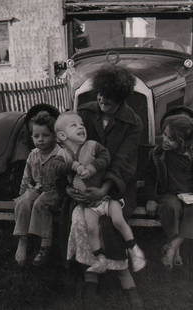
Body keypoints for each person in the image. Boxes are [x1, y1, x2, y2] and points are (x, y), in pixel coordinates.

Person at [65, 65, 146, 309]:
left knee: (110, 222)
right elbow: (70, 150)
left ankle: (125, 280)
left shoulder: (133, 123)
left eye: (109, 98)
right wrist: (71, 185)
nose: (102, 99)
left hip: (117, 185)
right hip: (83, 183)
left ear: (121, 98)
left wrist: (104, 190)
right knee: (77, 218)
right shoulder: (85, 113)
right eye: (100, 94)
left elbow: (124, 161)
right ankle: (89, 276)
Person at [55, 111, 146, 274]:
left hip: (107, 198)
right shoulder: (62, 154)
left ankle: (135, 251)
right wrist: (73, 166)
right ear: (62, 135)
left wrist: (92, 167)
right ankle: (100, 259)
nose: (81, 127)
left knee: (118, 220)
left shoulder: (92, 145)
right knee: (91, 229)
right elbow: (57, 168)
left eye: (82, 124)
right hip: (88, 204)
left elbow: (106, 157)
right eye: (74, 125)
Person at [145, 113, 193, 270]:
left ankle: (172, 247)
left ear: (183, 143)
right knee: (171, 208)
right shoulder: (158, 154)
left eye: (171, 139)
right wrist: (151, 198)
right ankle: (175, 249)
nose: (165, 140)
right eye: (164, 135)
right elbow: (149, 178)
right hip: (169, 194)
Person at [13, 111, 70, 267]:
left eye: (45, 135)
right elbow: (26, 177)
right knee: (24, 201)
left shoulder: (61, 153)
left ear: (55, 135)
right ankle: (22, 241)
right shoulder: (33, 155)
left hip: (56, 191)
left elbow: (67, 177)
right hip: (38, 188)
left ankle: (45, 245)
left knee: (40, 203)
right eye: (36, 136)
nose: (40, 140)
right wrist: (24, 193)